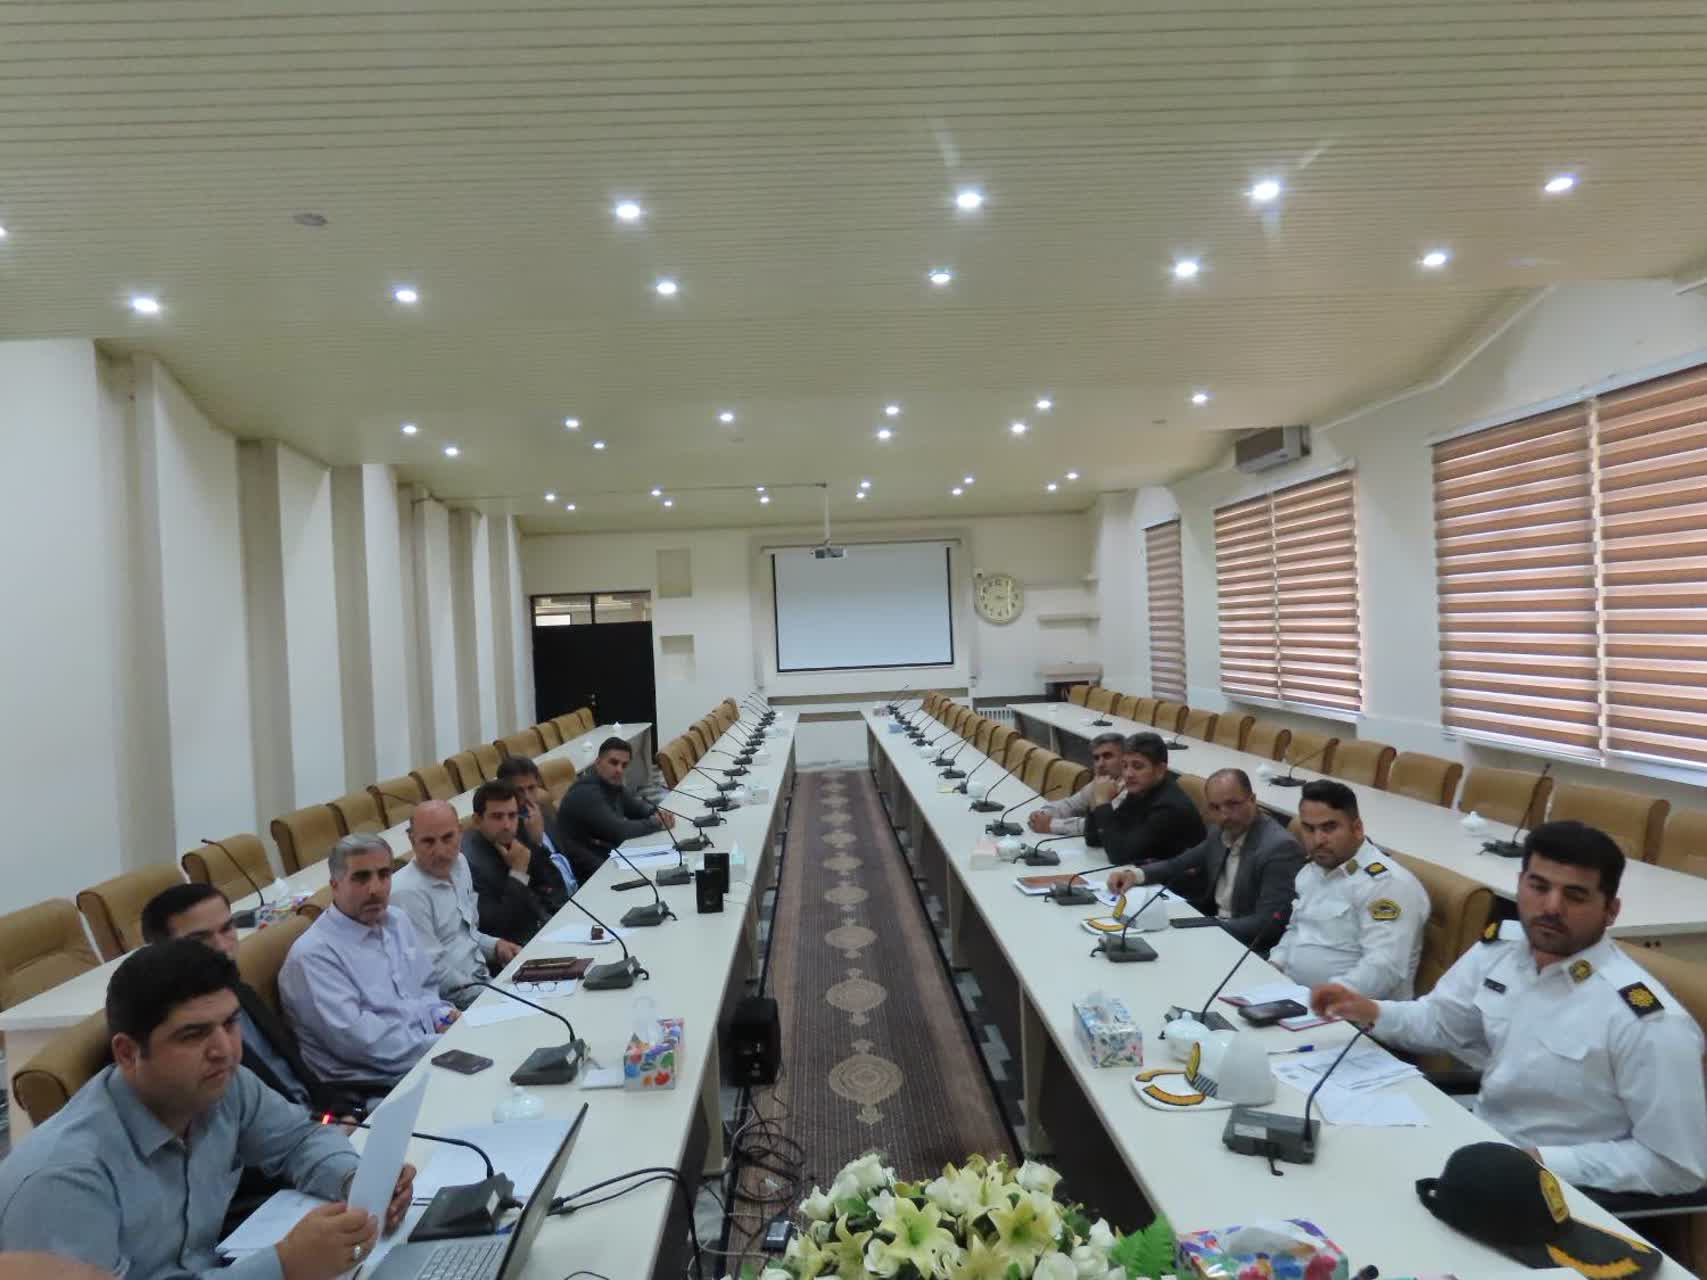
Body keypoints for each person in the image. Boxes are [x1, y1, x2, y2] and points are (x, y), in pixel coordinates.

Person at [1313, 820, 1707, 1196]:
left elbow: (1679, 1166)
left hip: (1558, 1191)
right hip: (1476, 1147)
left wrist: (1543, 1161)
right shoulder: (1501, 950)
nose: (1551, 907)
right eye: (1539, 887)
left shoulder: (1648, 1023)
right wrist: (1369, 1011)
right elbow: (1439, 1023)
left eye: (1575, 896)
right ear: (1520, 884)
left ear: (1611, 910)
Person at [0, 939, 414, 1277]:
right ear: (127, 1053)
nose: (224, 1050)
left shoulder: (222, 1086)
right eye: (193, 1035)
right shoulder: (62, 1180)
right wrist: (285, 1266)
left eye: (230, 1024)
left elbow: (298, 1140)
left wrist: (353, 1179)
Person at [140, 882, 353, 1115]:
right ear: (162, 952)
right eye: (199, 939)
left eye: (226, 929)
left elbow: (302, 1071)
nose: (222, 947)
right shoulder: (174, 1040)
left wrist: (342, 1113)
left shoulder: (240, 991)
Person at [279, 834, 456, 1086]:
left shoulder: (397, 921)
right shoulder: (313, 957)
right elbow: (366, 1046)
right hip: (378, 1086)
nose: (375, 889)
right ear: (335, 885)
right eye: (361, 878)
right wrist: (446, 1044)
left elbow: (425, 989)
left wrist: (443, 1017)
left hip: (426, 1055)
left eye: (384, 875)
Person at [1106, 768, 1303, 947]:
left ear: (1252, 800)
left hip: (1244, 946)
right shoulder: (1220, 831)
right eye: (1215, 807)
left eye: (1232, 804)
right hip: (1213, 929)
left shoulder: (1278, 848)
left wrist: (1203, 927)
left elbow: (1267, 925)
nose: (1224, 815)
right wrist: (1135, 875)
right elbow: (1179, 863)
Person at [1269, 779, 1429, 999]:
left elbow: (1383, 971)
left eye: (1329, 827)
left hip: (1348, 1011)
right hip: (1291, 996)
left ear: (1357, 828)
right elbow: (1297, 930)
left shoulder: (1387, 885)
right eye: (1309, 829)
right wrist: (1273, 967)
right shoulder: (1312, 871)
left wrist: (1320, 1000)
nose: (1318, 840)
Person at [392, 800, 519, 1008]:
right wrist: (494, 996)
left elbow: (466, 933)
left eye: (447, 838)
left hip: (484, 982)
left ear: (460, 832)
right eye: (428, 842)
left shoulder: (460, 864)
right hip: (454, 1004)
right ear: (412, 840)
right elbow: (432, 972)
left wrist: (495, 946)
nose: (440, 851)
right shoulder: (405, 892)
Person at [556, 736, 676, 886]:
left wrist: (656, 813)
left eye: (624, 765)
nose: (619, 770)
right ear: (598, 763)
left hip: (607, 859)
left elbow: (637, 808)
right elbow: (620, 831)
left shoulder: (612, 785)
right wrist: (656, 823)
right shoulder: (587, 793)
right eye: (613, 763)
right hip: (589, 876)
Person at [1082, 732, 1206, 868]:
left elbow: (1120, 855)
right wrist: (1095, 798)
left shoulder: (1169, 808)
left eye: (1137, 767)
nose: (1128, 774)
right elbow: (1094, 839)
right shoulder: (1139, 792)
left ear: (1160, 770)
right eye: (1124, 766)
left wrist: (1102, 802)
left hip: (1177, 880)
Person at [461, 781, 554, 944]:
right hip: (516, 947)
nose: (507, 825)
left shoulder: (517, 835)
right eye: (497, 817)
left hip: (547, 927)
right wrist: (518, 873)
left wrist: (537, 843)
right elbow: (498, 927)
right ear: (477, 820)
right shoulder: (468, 864)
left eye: (512, 815)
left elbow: (552, 887)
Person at [495, 755, 578, 908]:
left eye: (531, 788)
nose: (527, 797)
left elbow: (571, 851)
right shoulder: (506, 833)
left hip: (578, 892)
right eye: (519, 790)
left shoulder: (542, 810)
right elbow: (538, 884)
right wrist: (536, 843)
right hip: (557, 905)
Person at [1027, 732, 1125, 836]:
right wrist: (1043, 814)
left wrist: (1051, 825)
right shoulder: (1101, 782)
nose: (1100, 764)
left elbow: (1103, 825)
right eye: (1096, 758)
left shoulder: (1132, 789)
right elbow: (1070, 805)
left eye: (1108, 756)